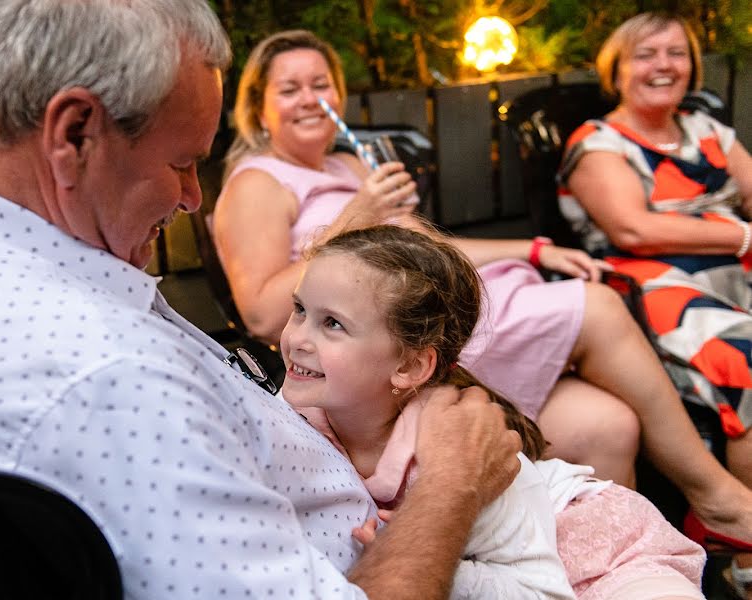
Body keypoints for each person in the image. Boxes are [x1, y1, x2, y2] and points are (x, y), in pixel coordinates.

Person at [0, 2, 523, 599]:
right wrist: (451, 483)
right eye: (182, 162)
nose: (192, 198)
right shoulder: (107, 376)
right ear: (75, 133)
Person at [213, 28, 752, 547]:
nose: (310, 99)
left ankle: (597, 572)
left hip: (434, 328)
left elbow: (427, 249)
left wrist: (532, 249)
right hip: (390, 353)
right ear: (258, 107)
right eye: (289, 89)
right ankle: (717, 499)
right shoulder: (259, 182)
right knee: (599, 304)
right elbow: (261, 313)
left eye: (320, 84)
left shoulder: (351, 162)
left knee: (606, 427)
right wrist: (360, 213)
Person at [282, 224, 705, 600]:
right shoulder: (291, 412)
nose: (297, 338)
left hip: (604, 557)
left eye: (332, 323)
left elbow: (542, 589)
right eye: (300, 310)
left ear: (409, 366)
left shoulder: (464, 446)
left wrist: (437, 566)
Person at [557, 11, 752, 595]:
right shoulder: (598, 141)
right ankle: (745, 556)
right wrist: (740, 235)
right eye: (646, 54)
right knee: (742, 357)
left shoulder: (709, 130)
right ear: (616, 71)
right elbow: (632, 229)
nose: (664, 66)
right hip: (653, 283)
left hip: (735, 268)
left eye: (676, 53)